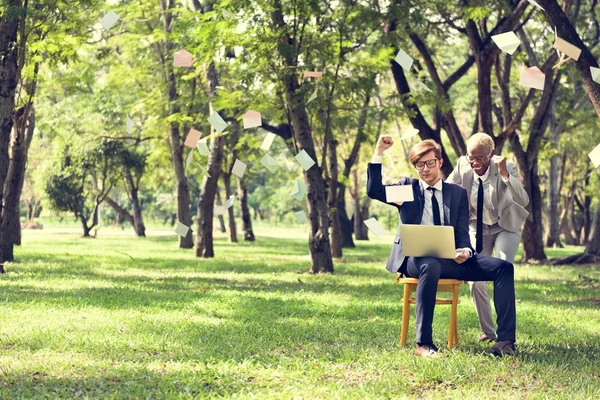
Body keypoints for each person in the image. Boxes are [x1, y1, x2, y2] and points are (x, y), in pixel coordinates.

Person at [366, 136, 517, 357]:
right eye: (419, 164)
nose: (424, 169)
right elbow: (374, 191)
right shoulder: (408, 188)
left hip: (450, 259)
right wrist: (379, 151)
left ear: (439, 162)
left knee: (503, 268)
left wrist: (465, 251)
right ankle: (423, 345)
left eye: (429, 163)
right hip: (416, 260)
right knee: (430, 264)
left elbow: (462, 234)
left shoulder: (457, 194)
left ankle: (505, 342)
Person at [447, 133, 528, 342]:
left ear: (490, 154)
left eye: (480, 158)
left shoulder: (505, 167)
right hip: (477, 226)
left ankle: (505, 335)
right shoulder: (463, 165)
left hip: (504, 227)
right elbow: (445, 190)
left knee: (500, 269)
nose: (475, 162)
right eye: (471, 157)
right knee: (475, 281)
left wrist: (505, 175)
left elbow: (523, 199)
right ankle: (488, 332)